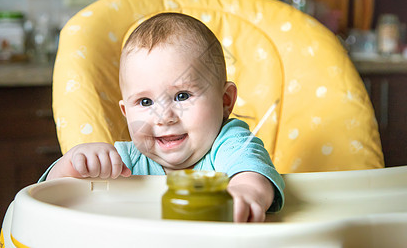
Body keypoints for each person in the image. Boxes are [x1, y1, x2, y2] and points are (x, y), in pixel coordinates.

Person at [42, 12, 285, 222]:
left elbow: (252, 170)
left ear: (225, 101)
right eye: (145, 102)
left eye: (182, 96)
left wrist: (245, 191)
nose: (165, 117)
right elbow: (48, 195)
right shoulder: (124, 163)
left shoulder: (229, 144)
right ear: (126, 113)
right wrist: (74, 163)